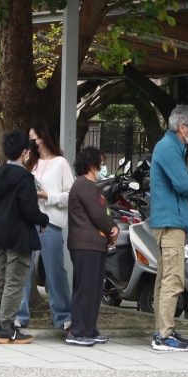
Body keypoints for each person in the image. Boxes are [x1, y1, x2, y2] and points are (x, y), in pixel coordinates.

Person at [0, 131, 49, 344]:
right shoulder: (25, 178)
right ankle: (6, 328)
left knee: (3, 279)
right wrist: (44, 219)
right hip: (19, 236)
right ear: (24, 152)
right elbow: (30, 210)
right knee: (15, 282)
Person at [148, 104, 188, 352]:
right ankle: (165, 334)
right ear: (182, 127)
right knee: (173, 278)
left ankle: (162, 330)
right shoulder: (169, 148)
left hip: (167, 221)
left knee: (163, 279)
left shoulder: (171, 146)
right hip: (171, 223)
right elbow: (184, 184)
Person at [15, 122, 74, 329]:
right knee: (23, 270)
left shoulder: (61, 163)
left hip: (51, 222)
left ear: (42, 137)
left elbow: (70, 195)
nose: (30, 141)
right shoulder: (30, 163)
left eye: (33, 136)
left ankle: (64, 316)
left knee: (54, 270)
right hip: (30, 222)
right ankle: (20, 315)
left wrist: (47, 196)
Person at [66, 146, 117, 346]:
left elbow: (106, 213)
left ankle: (89, 329)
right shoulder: (83, 185)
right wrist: (112, 230)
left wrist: (113, 228)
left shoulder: (93, 187)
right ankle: (77, 330)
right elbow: (98, 215)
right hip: (85, 243)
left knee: (94, 289)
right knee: (85, 288)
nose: (102, 166)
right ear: (90, 164)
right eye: (100, 162)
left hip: (96, 244)